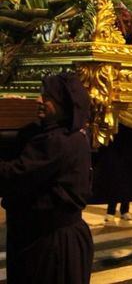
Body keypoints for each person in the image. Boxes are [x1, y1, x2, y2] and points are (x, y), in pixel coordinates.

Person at [0, 73, 94, 283]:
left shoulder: (58, 142)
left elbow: (14, 176)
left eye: (47, 97)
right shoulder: (71, 134)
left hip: (52, 246)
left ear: (63, 103)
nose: (39, 100)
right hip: (47, 239)